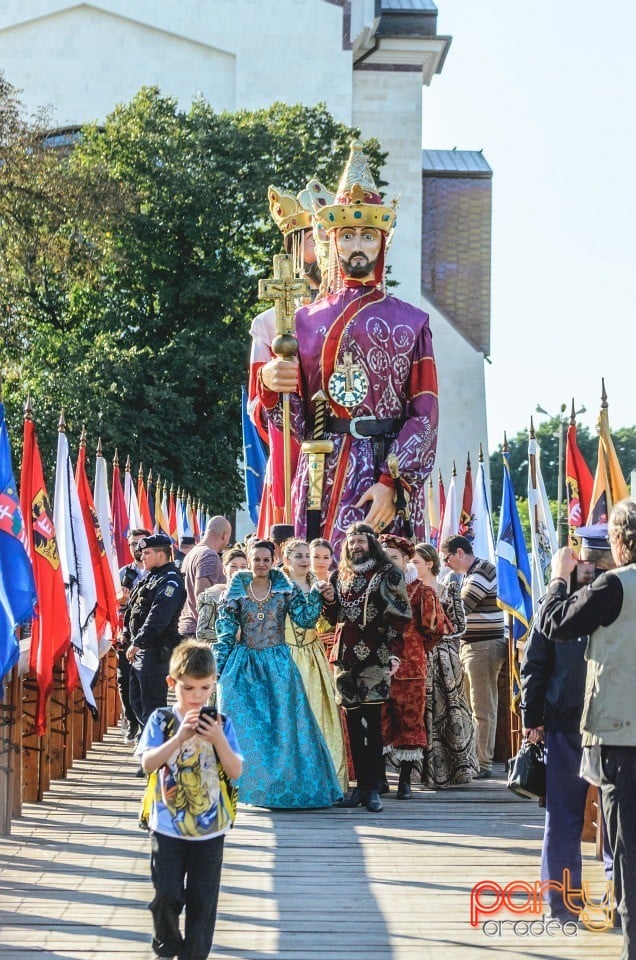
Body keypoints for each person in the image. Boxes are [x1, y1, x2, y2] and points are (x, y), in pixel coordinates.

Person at [256, 143, 438, 558]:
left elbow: (425, 412)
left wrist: (393, 483)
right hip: (321, 470)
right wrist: (270, 384)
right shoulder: (301, 322)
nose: (358, 245)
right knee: (318, 586)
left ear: (382, 243)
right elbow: (292, 421)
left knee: (387, 588)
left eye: (368, 236)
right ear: (333, 241)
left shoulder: (412, 323)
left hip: (384, 468)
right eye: (349, 235)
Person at [539, 498, 636, 958]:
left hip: (618, 733)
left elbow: (554, 622)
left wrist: (558, 578)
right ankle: (572, 902)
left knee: (626, 841)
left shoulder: (613, 588)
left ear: (618, 544)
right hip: (595, 728)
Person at [521, 522, 615, 924]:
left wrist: (533, 715)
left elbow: (534, 663)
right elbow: (536, 661)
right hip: (573, 723)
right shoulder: (561, 604)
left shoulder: (604, 598)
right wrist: (533, 717)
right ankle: (565, 904)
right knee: (569, 818)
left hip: (604, 723)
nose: (591, 568)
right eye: (588, 561)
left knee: (606, 821)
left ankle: (605, 902)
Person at [214, 539, 342, 809]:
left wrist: (318, 594)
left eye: (265, 559)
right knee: (244, 727)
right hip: (245, 664)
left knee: (284, 728)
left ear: (274, 561)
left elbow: (305, 619)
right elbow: (225, 630)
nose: (261, 564)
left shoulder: (285, 588)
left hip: (278, 665)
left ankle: (282, 789)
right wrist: (219, 667)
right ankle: (245, 787)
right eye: (256, 559)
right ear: (249, 561)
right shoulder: (236, 589)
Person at [136, 640, 243, 960]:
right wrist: (178, 738)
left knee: (202, 902)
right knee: (166, 893)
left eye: (204, 689)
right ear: (172, 684)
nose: (196, 697)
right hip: (167, 826)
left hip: (211, 828)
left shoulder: (221, 724)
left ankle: (193, 955)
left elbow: (235, 770)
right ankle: (166, 945)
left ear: (213, 685)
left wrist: (218, 739)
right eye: (188, 688)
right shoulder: (161, 720)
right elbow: (147, 764)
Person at [248, 185, 325, 536]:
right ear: (294, 246)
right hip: (293, 452)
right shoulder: (269, 322)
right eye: (312, 240)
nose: (322, 249)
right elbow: (256, 409)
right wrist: (267, 378)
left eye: (327, 238)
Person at [321, 522, 411, 812]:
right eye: (351, 542)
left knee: (373, 723)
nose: (355, 546)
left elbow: (400, 618)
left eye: (360, 541)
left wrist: (395, 655)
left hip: (375, 652)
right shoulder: (340, 574)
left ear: (371, 543)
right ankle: (359, 788)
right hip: (345, 654)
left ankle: (373, 787)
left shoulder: (389, 574)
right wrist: (329, 601)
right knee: (351, 723)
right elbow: (334, 617)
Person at [379, 535, 454, 799]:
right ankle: (379, 778)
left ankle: (405, 780)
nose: (389, 562)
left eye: (394, 557)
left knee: (410, 720)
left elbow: (435, 629)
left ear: (404, 560)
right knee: (380, 720)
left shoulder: (422, 591)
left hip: (411, 667)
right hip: (377, 664)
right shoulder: (375, 588)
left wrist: (414, 648)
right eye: (385, 556)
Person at [282, 538, 347, 791]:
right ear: (287, 560)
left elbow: (331, 619)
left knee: (320, 713)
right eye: (298, 556)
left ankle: (323, 780)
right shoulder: (279, 584)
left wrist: (330, 600)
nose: (304, 560)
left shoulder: (318, 585)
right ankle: (291, 780)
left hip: (313, 654)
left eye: (305, 555)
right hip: (285, 654)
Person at [412, 543, 479, 788]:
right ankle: (419, 770)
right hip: (417, 657)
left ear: (429, 563)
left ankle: (453, 769)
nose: (412, 566)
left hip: (443, 659)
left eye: (416, 562)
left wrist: (438, 633)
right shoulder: (409, 591)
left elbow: (460, 626)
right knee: (419, 712)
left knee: (449, 710)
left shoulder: (447, 589)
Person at [440, 534, 505, 780]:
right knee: (471, 704)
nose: (446, 564)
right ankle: (476, 759)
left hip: (483, 646)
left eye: (447, 558)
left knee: (481, 706)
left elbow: (461, 607)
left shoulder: (482, 571)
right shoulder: (472, 573)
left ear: (458, 552)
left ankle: (483, 761)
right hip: (473, 645)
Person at [125, 534, 186, 742]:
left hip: (155, 651)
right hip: (142, 651)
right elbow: (135, 610)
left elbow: (158, 618)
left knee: (152, 706)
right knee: (136, 701)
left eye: (147, 553)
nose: (142, 557)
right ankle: (151, 743)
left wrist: (138, 642)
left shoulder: (170, 580)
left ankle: (156, 751)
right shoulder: (152, 577)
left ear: (161, 554)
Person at [117, 527, 151, 743]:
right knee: (124, 680)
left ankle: (144, 726)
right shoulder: (122, 573)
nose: (136, 548)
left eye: (141, 543)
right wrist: (121, 602)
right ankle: (131, 719)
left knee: (144, 682)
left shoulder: (156, 573)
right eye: (132, 544)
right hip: (125, 636)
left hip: (149, 636)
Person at [178, 516, 231, 640]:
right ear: (224, 535)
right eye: (228, 537)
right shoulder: (209, 555)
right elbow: (202, 595)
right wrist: (210, 634)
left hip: (187, 627)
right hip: (199, 632)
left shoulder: (192, 553)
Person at [196, 547, 248, 644]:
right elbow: (201, 632)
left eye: (243, 566)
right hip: (220, 654)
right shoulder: (212, 596)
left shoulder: (253, 597)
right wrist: (233, 634)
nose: (238, 570)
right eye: (234, 566)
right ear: (224, 570)